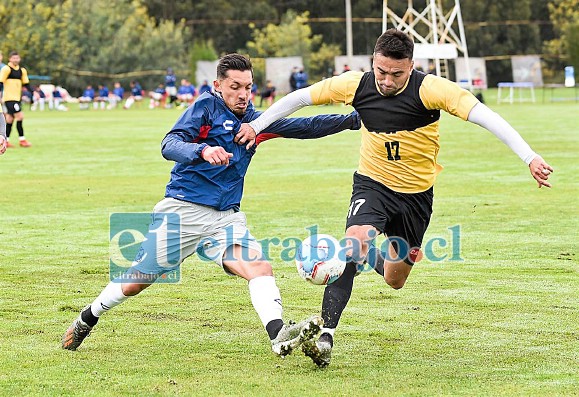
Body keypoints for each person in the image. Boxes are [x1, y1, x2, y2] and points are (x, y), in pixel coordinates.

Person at [237, 29, 554, 367]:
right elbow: (299, 98)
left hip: (416, 198)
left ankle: (367, 256)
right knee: (353, 243)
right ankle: (327, 333)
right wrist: (258, 126)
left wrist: (529, 156)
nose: (386, 81)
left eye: (396, 74)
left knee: (394, 279)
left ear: (411, 66)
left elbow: (486, 117)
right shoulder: (355, 84)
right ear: (373, 63)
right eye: (380, 71)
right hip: (372, 185)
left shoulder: (431, 90)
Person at [61, 53, 362, 358]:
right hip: (182, 212)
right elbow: (170, 144)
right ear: (219, 85)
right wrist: (203, 151)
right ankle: (89, 316)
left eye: (248, 86)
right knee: (136, 282)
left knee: (260, 267)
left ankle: (278, 336)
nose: (243, 94)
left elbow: (305, 126)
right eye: (235, 86)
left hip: (226, 220)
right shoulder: (205, 109)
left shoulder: (255, 123)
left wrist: (354, 119)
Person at [0, 51, 32, 147]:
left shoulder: (22, 71)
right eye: (13, 58)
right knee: (20, 116)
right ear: (10, 59)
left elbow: (26, 84)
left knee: (9, 119)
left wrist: (33, 94)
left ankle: (6, 140)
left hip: (17, 98)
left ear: (19, 59)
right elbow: (0, 83)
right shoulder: (6, 69)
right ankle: (22, 140)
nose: (16, 60)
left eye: (17, 58)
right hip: (9, 98)